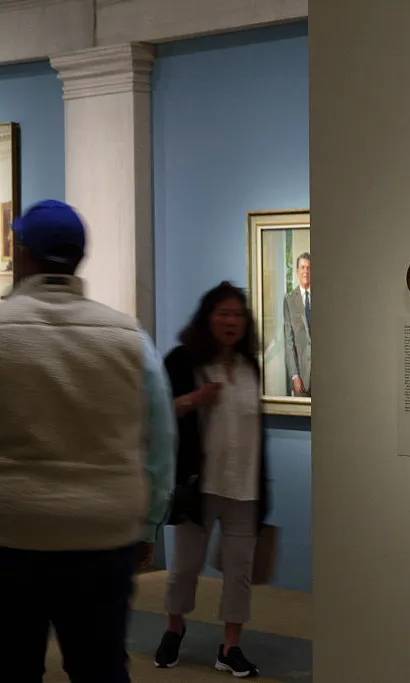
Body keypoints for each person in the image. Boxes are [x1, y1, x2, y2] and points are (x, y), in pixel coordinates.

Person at [0, 199, 176, 682]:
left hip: (13, 531)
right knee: (100, 666)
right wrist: (150, 522)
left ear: (24, 252)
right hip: (104, 533)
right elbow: (160, 441)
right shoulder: (128, 336)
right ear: (79, 257)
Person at [155, 281, 270, 678]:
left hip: (245, 488)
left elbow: (257, 431)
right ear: (208, 318)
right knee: (185, 567)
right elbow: (157, 412)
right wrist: (193, 400)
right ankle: (174, 629)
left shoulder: (249, 366)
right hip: (199, 487)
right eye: (223, 313)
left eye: (238, 314)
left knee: (238, 573)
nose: (231, 321)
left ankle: (230, 647)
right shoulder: (183, 360)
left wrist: (263, 489)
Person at [283, 252, 311, 397]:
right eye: (302, 267)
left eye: (309, 267)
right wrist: (295, 375)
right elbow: (289, 342)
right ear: (297, 271)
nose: (306, 271)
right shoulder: (289, 300)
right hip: (301, 379)